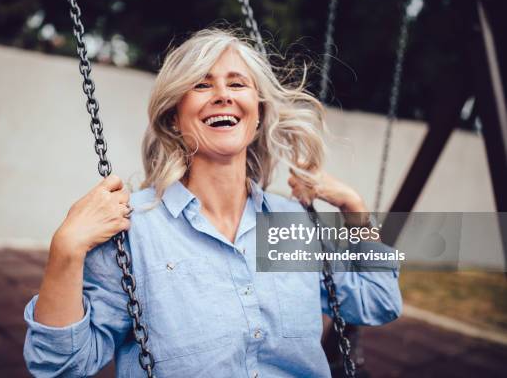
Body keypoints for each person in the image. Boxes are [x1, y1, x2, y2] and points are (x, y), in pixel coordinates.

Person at [23, 28, 402, 377]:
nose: (223, 94)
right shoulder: (134, 230)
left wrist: (356, 211)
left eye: (237, 83)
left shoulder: (291, 225)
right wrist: (65, 251)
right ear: (174, 117)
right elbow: (59, 366)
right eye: (202, 85)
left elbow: (379, 299)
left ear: (258, 114)